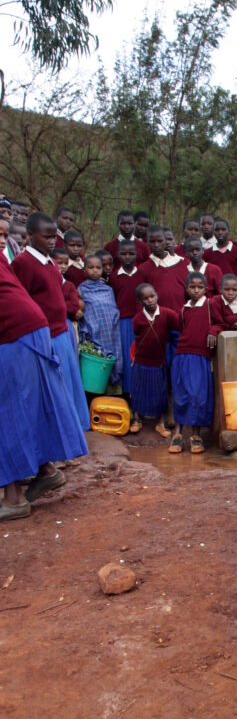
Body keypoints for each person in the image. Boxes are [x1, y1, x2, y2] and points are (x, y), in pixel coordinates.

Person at [0, 257, 88, 520]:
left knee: (8, 411)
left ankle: (14, 497)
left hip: (12, 331)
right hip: (33, 325)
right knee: (26, 403)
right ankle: (46, 470)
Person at [13, 212, 90, 430]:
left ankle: (71, 437)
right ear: (29, 235)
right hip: (43, 336)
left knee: (67, 386)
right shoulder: (23, 263)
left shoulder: (51, 263)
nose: (51, 241)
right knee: (51, 391)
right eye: (45, 237)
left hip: (61, 333)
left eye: (53, 237)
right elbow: (22, 301)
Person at [169, 272, 221, 455]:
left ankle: (196, 435)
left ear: (206, 289)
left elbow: (220, 322)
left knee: (197, 396)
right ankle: (178, 434)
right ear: (186, 288)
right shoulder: (183, 310)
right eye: (192, 287)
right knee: (180, 394)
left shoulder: (210, 305)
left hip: (200, 357)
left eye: (200, 287)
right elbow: (180, 330)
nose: (196, 290)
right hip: (182, 356)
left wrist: (213, 332)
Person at [130, 283, 179, 437]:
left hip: (159, 361)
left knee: (161, 393)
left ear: (157, 296)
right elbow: (137, 336)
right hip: (141, 360)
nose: (150, 300)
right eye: (145, 299)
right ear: (140, 302)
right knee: (138, 390)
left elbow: (176, 332)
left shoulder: (168, 314)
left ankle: (161, 423)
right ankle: (137, 420)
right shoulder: (138, 319)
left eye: (152, 296)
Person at [77, 252, 124, 389]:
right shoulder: (81, 290)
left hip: (111, 332)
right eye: (91, 267)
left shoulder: (108, 290)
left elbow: (112, 312)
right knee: (96, 367)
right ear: (84, 269)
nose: (95, 270)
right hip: (93, 335)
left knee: (113, 360)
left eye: (98, 267)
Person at [108, 239, 149, 395]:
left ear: (136, 254)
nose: (127, 257)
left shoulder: (143, 273)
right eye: (123, 253)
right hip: (124, 323)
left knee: (141, 357)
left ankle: (142, 393)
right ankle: (128, 395)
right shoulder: (114, 277)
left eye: (131, 253)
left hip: (142, 321)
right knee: (126, 358)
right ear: (118, 255)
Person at [139, 226, 188, 314]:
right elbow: (140, 297)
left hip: (180, 316)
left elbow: (189, 293)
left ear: (165, 241)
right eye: (152, 242)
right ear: (147, 243)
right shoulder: (143, 268)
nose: (156, 245)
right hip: (157, 319)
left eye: (160, 241)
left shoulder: (182, 263)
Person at [206, 218, 237, 283]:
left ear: (229, 231)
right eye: (217, 230)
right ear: (213, 232)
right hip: (216, 289)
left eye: (223, 230)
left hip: (234, 289)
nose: (220, 232)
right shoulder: (207, 253)